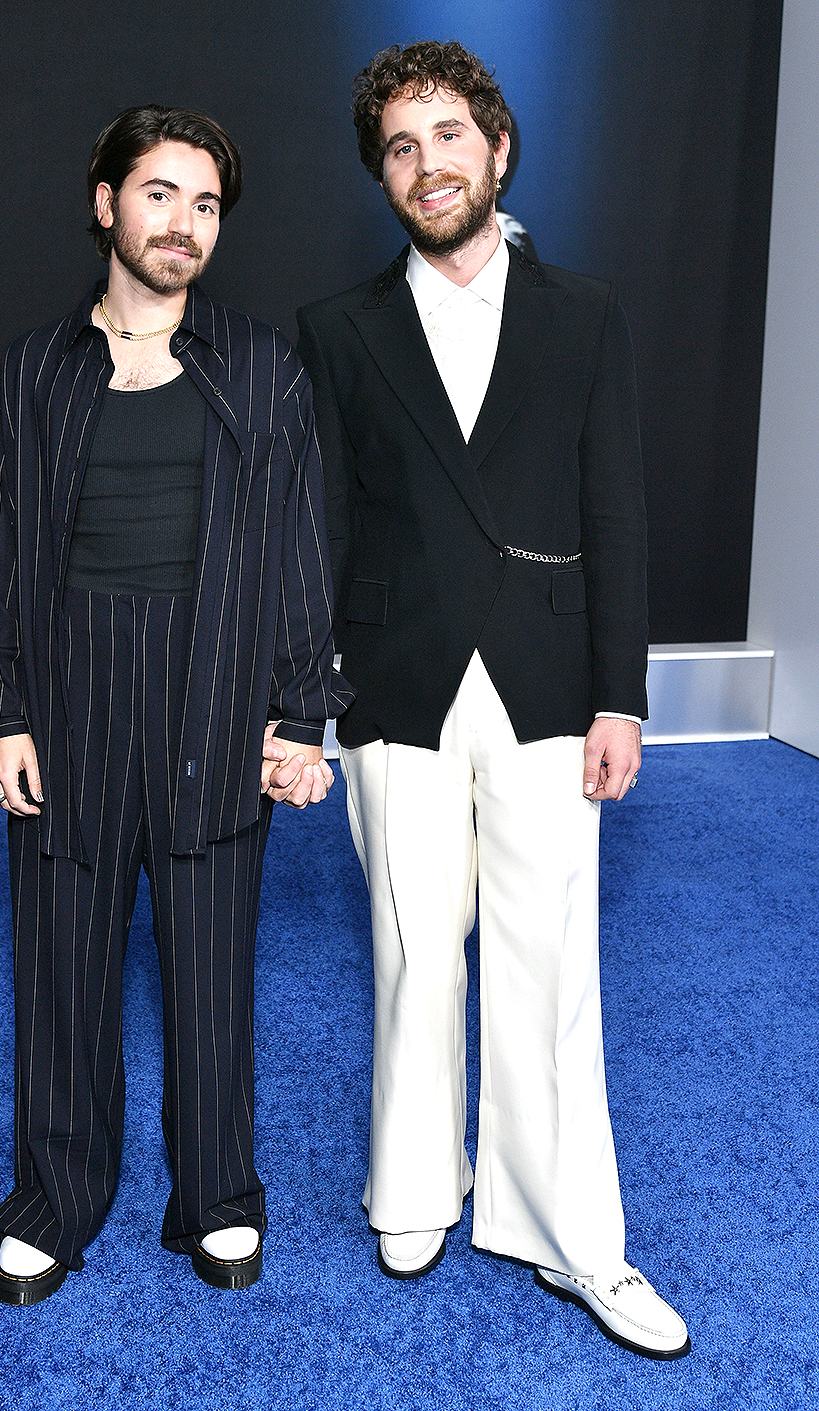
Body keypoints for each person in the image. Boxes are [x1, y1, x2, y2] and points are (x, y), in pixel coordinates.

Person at [297, 41, 689, 1360]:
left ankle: (576, 1236)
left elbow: (615, 512)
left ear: (500, 150)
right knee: (412, 954)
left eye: (448, 135)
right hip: (395, 689)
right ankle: (410, 1188)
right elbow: (325, 529)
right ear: (384, 175)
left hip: (546, 685)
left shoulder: (585, 315)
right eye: (400, 146)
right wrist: (309, 700)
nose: (427, 163)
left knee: (552, 969)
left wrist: (623, 697)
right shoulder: (339, 330)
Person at [0, 103, 351, 1305]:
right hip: (67, 701)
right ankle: (55, 1200)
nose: (184, 223)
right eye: (161, 193)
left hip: (214, 701)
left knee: (213, 971)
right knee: (61, 969)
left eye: (207, 204)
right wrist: (2, 711)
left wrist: (299, 715)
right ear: (106, 203)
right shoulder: (33, 369)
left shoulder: (261, 365)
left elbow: (297, 547)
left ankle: (217, 1196)